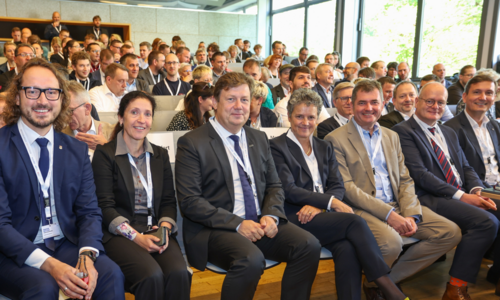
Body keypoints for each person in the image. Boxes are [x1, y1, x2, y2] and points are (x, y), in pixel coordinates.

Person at [175, 72, 321, 300]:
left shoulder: (258, 138)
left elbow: (274, 185)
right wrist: (237, 224)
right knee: (250, 260)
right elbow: (190, 203)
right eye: (230, 99)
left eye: (244, 99)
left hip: (259, 223)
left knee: (308, 245)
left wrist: (271, 215)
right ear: (214, 102)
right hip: (216, 229)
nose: (239, 106)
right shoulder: (192, 142)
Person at [0, 57, 125, 300]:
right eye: (33, 91)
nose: (43, 100)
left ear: (61, 99)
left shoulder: (75, 149)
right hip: (12, 252)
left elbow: (89, 211)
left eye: (51, 92)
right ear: (17, 97)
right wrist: (50, 265)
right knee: (44, 287)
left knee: (110, 273)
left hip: (64, 243)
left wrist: (87, 255)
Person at [325, 79, 461, 299]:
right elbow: (347, 188)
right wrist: (390, 216)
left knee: (450, 232)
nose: (369, 108)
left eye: (374, 102)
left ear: (383, 104)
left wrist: (410, 214)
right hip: (361, 209)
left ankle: (379, 281)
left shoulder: (392, 136)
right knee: (391, 244)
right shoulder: (335, 139)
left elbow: (405, 180)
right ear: (352, 103)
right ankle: (382, 281)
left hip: (398, 204)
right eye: (362, 103)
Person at [271, 88, 410, 300]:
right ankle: (388, 287)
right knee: (354, 222)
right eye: (299, 116)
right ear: (289, 117)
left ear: (317, 118)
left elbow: (337, 185)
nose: (305, 122)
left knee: (348, 248)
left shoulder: (324, 146)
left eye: (311, 117)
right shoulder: (276, 147)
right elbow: (288, 190)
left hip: (320, 214)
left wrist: (323, 204)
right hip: (295, 216)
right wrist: (331, 202)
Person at [392, 82, 500, 300]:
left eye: (441, 102)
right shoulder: (402, 132)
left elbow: (466, 166)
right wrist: (463, 196)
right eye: (429, 101)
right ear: (417, 101)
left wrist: (477, 190)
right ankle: (455, 288)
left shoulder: (447, 131)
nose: (435, 106)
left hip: (456, 193)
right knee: (487, 222)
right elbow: (420, 175)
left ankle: (495, 276)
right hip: (428, 197)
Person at [92, 91, 191, 299]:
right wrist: (136, 237)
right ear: (121, 117)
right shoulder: (105, 154)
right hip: (121, 233)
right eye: (134, 112)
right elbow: (105, 207)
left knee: (179, 273)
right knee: (151, 276)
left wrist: (164, 229)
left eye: (147, 114)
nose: (141, 120)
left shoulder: (160, 155)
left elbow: (167, 201)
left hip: (154, 228)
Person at [446, 74, 500, 293]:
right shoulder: (451, 128)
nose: (483, 97)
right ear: (465, 96)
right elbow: (457, 172)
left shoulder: (495, 126)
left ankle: (496, 272)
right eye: (477, 92)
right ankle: (458, 286)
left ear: (495, 97)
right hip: (471, 191)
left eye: (489, 93)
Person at [62, 81, 113, 160]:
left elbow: (125, 168)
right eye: (63, 112)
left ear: (87, 109)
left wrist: (105, 148)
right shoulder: (60, 135)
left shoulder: (111, 132)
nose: (66, 117)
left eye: (70, 111)